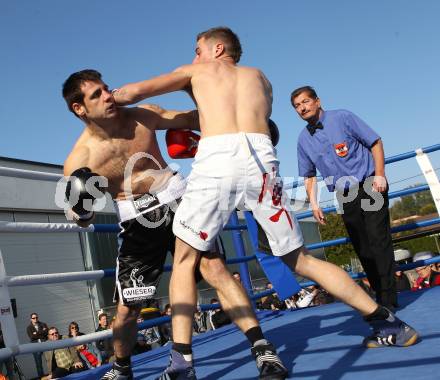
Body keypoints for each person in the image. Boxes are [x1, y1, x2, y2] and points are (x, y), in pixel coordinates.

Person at [113, 26, 420, 379]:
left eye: (198, 49)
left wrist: (111, 95)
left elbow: (132, 93)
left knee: (184, 258)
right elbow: (251, 114)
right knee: (299, 259)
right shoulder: (261, 79)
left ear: (216, 49)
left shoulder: (197, 70)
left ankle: (181, 364)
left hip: (218, 161)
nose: (194, 56)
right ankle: (388, 323)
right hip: (262, 161)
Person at [62, 69, 279, 380]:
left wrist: (248, 120)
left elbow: (193, 119)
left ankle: (263, 349)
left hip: (179, 200)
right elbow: (84, 220)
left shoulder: (142, 116)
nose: (108, 96)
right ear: (79, 108)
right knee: (129, 308)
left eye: (106, 88)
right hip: (137, 221)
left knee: (215, 270)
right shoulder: (80, 160)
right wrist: (81, 212)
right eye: (96, 95)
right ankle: (122, 368)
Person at [291, 85, 398, 310]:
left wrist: (380, 175)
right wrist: (314, 204)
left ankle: (389, 298)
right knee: (362, 246)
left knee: (378, 239)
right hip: (344, 193)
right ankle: (378, 295)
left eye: (305, 102)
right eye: (297, 106)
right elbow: (309, 175)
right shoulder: (303, 140)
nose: (302, 108)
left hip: (369, 183)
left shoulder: (342, 117)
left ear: (317, 101)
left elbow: (375, 142)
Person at [26, 312, 48, 378]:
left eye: (36, 317)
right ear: (31, 319)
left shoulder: (43, 324)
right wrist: (41, 332)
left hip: (45, 344)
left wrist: (36, 333)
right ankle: (41, 377)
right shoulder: (29, 328)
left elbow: (46, 333)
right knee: (38, 363)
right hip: (35, 346)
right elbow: (32, 337)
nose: (35, 319)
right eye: (33, 318)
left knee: (49, 359)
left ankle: (52, 374)